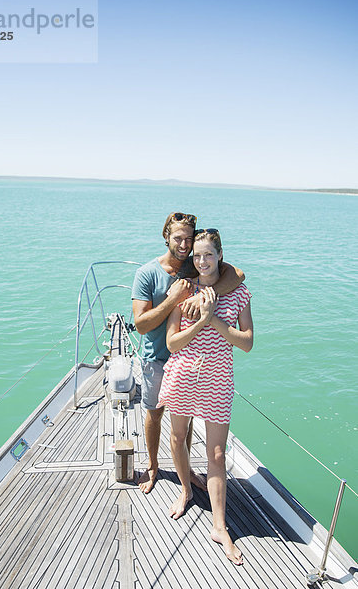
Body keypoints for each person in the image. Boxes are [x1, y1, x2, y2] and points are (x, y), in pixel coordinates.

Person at [157, 228, 253, 565]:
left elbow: (246, 342)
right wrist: (201, 324)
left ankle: (218, 525)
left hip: (217, 378)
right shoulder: (181, 292)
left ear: (220, 256)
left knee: (216, 454)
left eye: (208, 254)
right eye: (197, 256)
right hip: (184, 373)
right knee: (178, 437)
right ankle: (185, 489)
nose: (202, 261)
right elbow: (172, 344)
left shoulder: (238, 293)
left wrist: (213, 321)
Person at [131, 213, 245, 493]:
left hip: (189, 359)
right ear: (166, 237)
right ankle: (154, 465)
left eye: (188, 239)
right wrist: (173, 299)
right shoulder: (148, 273)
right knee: (155, 413)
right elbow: (141, 325)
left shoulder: (196, 266)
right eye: (178, 238)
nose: (184, 245)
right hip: (158, 355)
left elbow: (238, 275)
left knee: (186, 419)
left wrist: (200, 296)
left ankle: (188, 470)